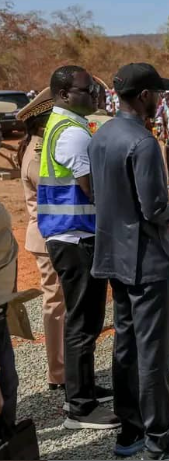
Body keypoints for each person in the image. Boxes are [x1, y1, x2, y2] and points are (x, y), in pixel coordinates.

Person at [88, 63, 169, 460]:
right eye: (158, 93)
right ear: (143, 97)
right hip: (147, 259)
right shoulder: (143, 143)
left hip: (114, 256)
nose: (161, 100)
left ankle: (130, 433)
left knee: (126, 346)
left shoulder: (101, 135)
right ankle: (160, 440)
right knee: (154, 353)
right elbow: (154, 208)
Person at [37, 65, 117, 430]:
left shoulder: (64, 126)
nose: (94, 96)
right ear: (65, 94)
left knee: (84, 319)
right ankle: (80, 407)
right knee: (83, 323)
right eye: (87, 91)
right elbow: (94, 191)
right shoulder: (72, 134)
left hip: (69, 235)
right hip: (75, 237)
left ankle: (82, 388)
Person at [17, 89, 65, 392]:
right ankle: (58, 372)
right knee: (56, 304)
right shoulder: (36, 153)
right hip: (47, 238)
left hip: (50, 235)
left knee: (61, 303)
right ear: (40, 124)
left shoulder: (39, 147)